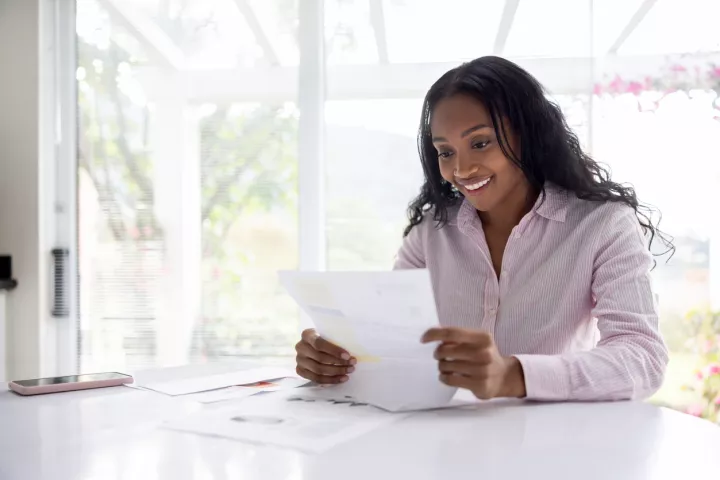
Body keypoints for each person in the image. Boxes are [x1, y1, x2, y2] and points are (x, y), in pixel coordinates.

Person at [294, 56, 672, 402]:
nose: (461, 169)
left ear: (527, 134)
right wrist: (336, 355)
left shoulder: (602, 225)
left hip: (556, 451)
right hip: (446, 447)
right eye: (446, 152)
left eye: (480, 143)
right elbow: (394, 342)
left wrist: (514, 375)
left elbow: (641, 358)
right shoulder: (430, 235)